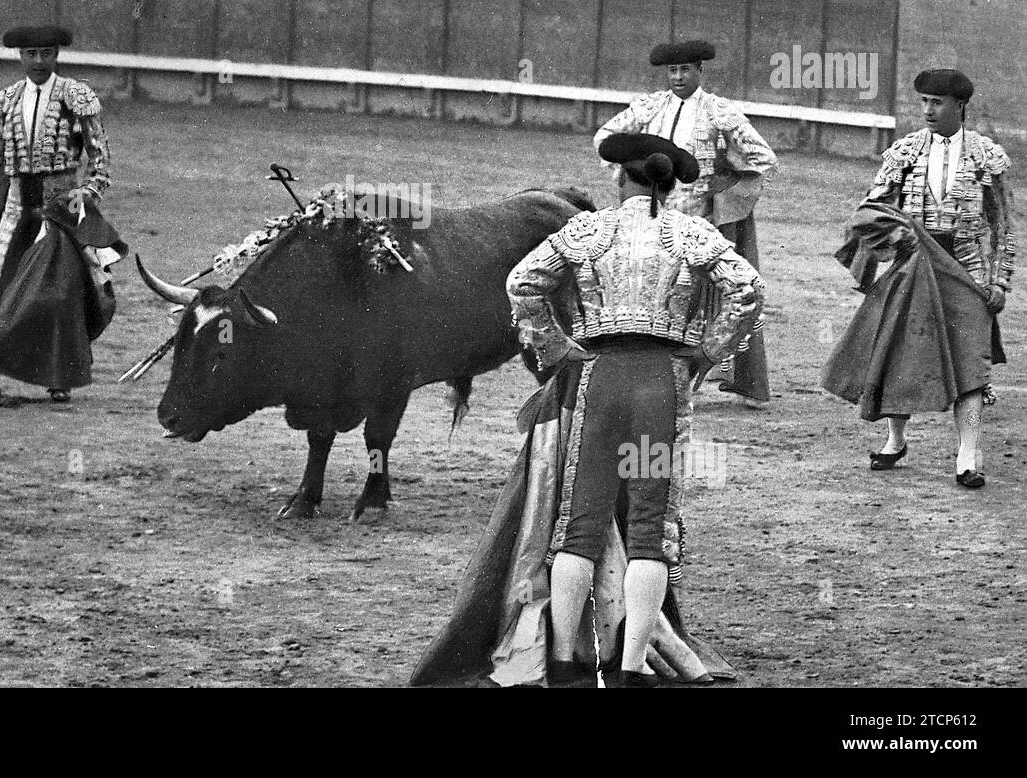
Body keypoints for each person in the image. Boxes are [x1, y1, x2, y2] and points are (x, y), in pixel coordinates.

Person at [411, 133, 765, 687]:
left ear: (620, 178)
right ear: (669, 186)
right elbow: (746, 290)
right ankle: (626, 669)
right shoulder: (694, 233)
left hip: (597, 378)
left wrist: (557, 351)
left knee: (579, 526)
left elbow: (521, 282)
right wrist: (706, 352)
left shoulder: (586, 230)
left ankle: (562, 661)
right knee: (650, 529)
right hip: (661, 382)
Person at [823, 70, 1013, 489]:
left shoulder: (987, 156)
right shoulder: (904, 153)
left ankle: (966, 457)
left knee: (971, 363)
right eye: (923, 101)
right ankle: (895, 439)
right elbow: (869, 210)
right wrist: (896, 236)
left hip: (967, 270)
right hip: (913, 264)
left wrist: (999, 281)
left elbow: (1002, 227)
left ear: (960, 106)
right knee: (900, 352)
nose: (927, 110)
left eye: (937, 102)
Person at [593, 40, 778, 404]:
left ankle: (694, 377)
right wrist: (630, 177)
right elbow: (605, 139)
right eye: (672, 71)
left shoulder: (719, 112)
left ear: (700, 71)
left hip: (698, 221)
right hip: (651, 214)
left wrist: (722, 189)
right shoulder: (649, 106)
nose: (678, 77)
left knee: (698, 300)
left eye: (685, 70)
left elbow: (763, 159)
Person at [0, 25, 111, 406]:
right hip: (17, 205)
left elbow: (100, 161)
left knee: (57, 294)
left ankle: (60, 378)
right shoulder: (7, 99)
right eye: (31, 54)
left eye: (46, 53)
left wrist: (82, 201)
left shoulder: (77, 96)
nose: (39, 61)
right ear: (20, 56)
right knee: (0, 286)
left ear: (56, 54)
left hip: (61, 207)